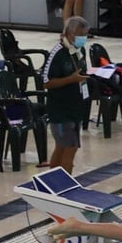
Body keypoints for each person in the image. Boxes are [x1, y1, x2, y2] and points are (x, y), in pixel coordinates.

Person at [42, 16, 90, 175]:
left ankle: (54, 182)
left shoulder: (79, 50)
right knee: (70, 147)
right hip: (61, 109)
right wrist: (71, 79)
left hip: (75, 106)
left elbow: (82, 72)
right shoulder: (57, 53)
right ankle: (65, 185)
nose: (83, 38)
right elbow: (47, 82)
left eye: (85, 35)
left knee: (62, 147)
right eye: (80, 34)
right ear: (69, 33)